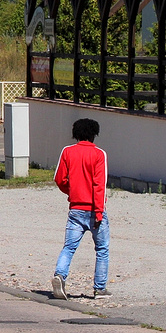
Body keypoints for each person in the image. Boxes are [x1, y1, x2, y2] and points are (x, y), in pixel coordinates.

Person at [51, 117, 110, 300]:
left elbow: (59, 179)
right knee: (102, 249)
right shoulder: (99, 154)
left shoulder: (67, 152)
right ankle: (99, 288)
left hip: (75, 208)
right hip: (94, 209)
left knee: (69, 247)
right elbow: (99, 185)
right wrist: (99, 211)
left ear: (75, 134)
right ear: (94, 134)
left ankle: (60, 275)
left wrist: (72, 191)